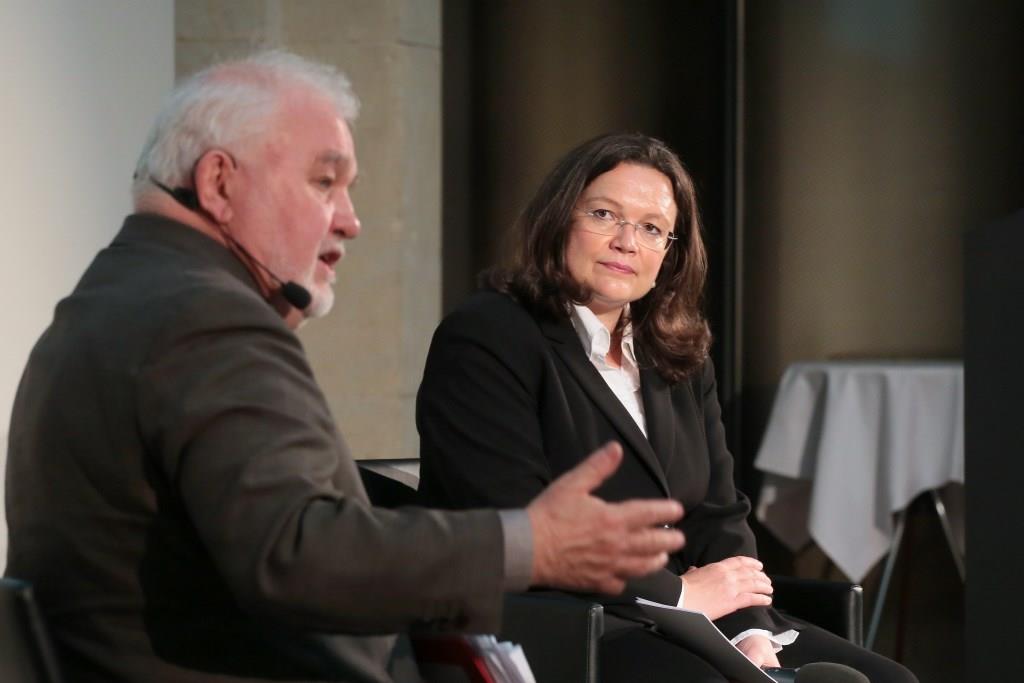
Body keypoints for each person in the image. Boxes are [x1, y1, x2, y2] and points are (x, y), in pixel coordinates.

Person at [3, 53, 687, 683]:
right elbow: (299, 552)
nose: (352, 220)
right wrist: (529, 544)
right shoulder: (207, 319)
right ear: (218, 183)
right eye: (323, 181)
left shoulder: (123, 291)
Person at [416, 132, 918, 683]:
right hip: (565, 622)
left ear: (670, 252)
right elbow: (516, 525)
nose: (626, 241)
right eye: (604, 214)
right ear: (559, 220)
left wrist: (752, 633)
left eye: (652, 228)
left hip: (694, 622)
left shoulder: (675, 351)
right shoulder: (488, 336)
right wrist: (678, 593)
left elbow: (717, 514)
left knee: (889, 680)